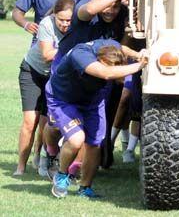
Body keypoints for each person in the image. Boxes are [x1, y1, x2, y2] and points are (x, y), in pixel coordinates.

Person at [46, 38, 147, 198]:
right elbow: (106, 74)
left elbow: (122, 48)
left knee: (95, 143)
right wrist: (139, 65)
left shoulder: (108, 46)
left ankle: (85, 188)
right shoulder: (81, 55)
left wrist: (138, 55)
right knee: (76, 140)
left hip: (93, 99)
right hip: (63, 99)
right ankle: (62, 175)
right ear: (99, 60)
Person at [14, 0, 75, 176]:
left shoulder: (78, 27)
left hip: (56, 78)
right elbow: (48, 55)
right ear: (54, 15)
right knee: (29, 121)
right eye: (61, 20)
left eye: (68, 20)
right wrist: (75, 51)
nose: (65, 24)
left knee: (48, 122)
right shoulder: (47, 24)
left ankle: (41, 159)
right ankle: (21, 167)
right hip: (32, 71)